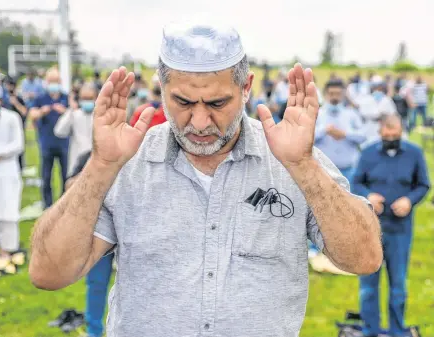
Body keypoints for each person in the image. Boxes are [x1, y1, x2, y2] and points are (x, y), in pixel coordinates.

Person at [30, 23, 382, 337]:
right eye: (182, 102)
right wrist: (101, 165)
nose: (199, 122)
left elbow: (363, 259)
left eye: (216, 103)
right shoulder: (129, 163)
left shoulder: (290, 157)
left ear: (246, 88)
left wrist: (303, 166)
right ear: (162, 87)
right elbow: (49, 272)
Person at [352, 115, 430, 337]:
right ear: (380, 132)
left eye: (395, 134)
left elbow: (424, 184)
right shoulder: (367, 154)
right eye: (387, 134)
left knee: (398, 287)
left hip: (400, 230)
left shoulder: (414, 154)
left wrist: (409, 200)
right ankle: (370, 330)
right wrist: (368, 196)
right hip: (370, 231)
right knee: (368, 287)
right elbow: (356, 181)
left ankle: (397, 331)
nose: (391, 137)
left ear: (401, 131)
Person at [63, 151, 114, 337]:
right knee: (97, 283)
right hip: (100, 230)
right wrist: (93, 171)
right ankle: (94, 330)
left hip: (130, 229)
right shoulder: (89, 157)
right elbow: (69, 186)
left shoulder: (138, 156)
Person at [0, 82, 24, 260]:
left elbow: (18, 144)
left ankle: (7, 250)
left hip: (7, 170)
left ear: (0, 101)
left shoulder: (12, 118)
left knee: (8, 212)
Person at [29, 68, 69, 209]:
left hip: (64, 144)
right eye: (51, 81)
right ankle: (48, 206)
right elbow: (32, 115)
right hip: (46, 143)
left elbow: (75, 114)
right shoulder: (40, 98)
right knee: (46, 177)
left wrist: (64, 111)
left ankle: (64, 205)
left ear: (60, 82)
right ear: (46, 82)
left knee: (66, 176)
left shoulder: (66, 98)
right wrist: (42, 111)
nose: (53, 84)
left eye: (56, 81)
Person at [315, 79, 365, 183]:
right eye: (331, 93)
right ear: (325, 95)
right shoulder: (317, 114)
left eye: (338, 94)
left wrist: (345, 134)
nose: (334, 97)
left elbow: (363, 136)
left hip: (348, 170)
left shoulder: (352, 114)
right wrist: (325, 130)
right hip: (323, 171)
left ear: (343, 95)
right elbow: (308, 137)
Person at [54, 83, 96, 176]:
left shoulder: (100, 116)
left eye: (90, 98)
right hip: (76, 162)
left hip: (95, 163)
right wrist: (70, 110)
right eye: (84, 98)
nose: (87, 101)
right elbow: (59, 131)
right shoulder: (74, 115)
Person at [357, 76, 397, 144]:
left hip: (385, 126)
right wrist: (378, 114)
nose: (378, 89)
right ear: (371, 87)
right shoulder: (365, 99)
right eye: (375, 87)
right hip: (370, 127)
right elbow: (362, 113)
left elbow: (393, 113)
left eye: (380, 87)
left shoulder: (387, 99)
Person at [3, 76, 28, 170]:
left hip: (18, 128)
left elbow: (25, 112)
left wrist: (16, 103)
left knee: (18, 149)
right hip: (4, 129)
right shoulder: (3, 99)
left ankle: (20, 169)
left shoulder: (19, 98)